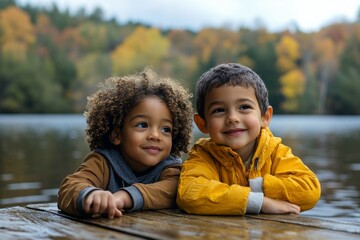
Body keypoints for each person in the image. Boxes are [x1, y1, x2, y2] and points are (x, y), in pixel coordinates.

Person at [176, 63, 321, 215]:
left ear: (265, 117)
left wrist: (257, 186)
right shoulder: (203, 156)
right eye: (219, 110)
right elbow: (189, 193)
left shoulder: (275, 151)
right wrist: (258, 202)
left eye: (244, 107)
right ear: (202, 123)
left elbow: (310, 189)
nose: (232, 118)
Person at [58, 68, 193, 219]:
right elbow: (69, 188)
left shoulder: (170, 168)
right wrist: (91, 195)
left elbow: (173, 190)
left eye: (165, 129)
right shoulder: (102, 162)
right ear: (117, 135)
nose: (156, 135)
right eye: (142, 125)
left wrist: (125, 197)